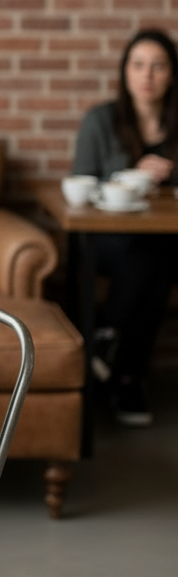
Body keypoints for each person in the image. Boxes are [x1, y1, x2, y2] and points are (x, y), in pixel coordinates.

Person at [73, 28, 178, 426]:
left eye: (158, 66)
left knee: (158, 258)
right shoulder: (101, 121)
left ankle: (106, 347)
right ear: (125, 72)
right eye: (138, 65)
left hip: (165, 244)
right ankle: (128, 377)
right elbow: (79, 188)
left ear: (172, 74)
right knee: (150, 259)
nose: (147, 75)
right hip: (108, 242)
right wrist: (129, 178)